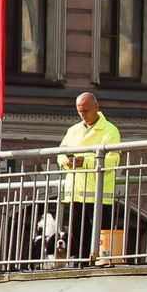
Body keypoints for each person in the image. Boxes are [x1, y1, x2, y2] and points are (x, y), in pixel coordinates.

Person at [56, 91, 123, 261]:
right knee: (77, 232)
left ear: (96, 107)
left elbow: (113, 160)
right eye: (80, 111)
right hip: (76, 192)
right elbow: (60, 154)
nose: (83, 115)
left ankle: (100, 263)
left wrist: (84, 162)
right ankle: (80, 262)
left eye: (86, 110)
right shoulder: (73, 130)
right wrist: (67, 161)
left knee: (99, 234)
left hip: (98, 194)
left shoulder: (110, 130)